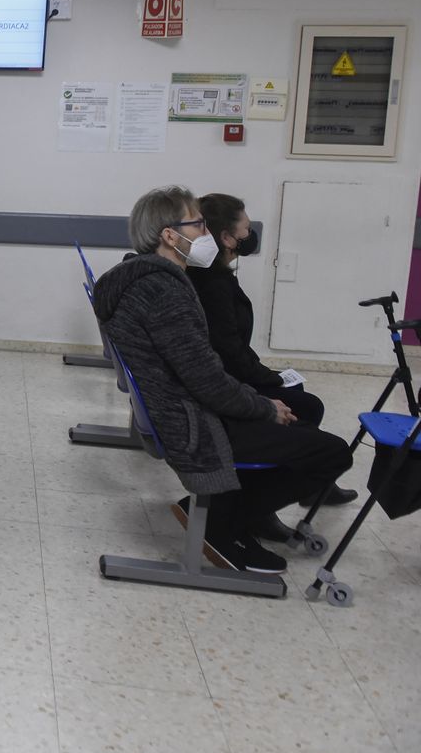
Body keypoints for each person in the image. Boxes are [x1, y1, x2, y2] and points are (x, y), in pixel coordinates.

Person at [93, 186, 353, 573]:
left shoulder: (146, 279)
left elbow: (203, 370)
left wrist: (256, 400)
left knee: (302, 424)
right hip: (194, 425)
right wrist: (264, 407)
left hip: (181, 412)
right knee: (332, 453)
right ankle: (221, 522)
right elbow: (208, 382)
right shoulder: (162, 291)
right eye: (197, 224)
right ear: (169, 235)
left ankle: (236, 513)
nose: (206, 233)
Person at [191, 192, 358, 527]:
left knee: (305, 403)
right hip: (225, 387)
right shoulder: (212, 282)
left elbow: (231, 346)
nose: (249, 236)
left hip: (229, 376)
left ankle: (308, 481)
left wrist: (268, 376)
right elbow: (228, 350)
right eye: (245, 229)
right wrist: (270, 380)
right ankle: (269, 499)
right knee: (306, 406)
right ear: (226, 238)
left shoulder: (217, 275)